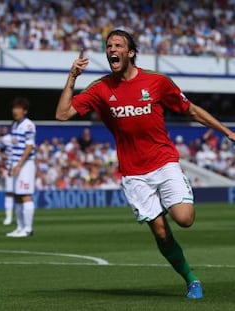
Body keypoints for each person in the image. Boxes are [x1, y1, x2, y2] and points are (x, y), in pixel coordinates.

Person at [55, 29, 235, 299]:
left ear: (130, 53)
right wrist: (72, 78)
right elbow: (62, 114)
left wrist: (227, 132)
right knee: (162, 234)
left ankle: (169, 200)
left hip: (164, 162)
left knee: (184, 219)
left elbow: (192, 110)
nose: (111, 49)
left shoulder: (157, 82)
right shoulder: (101, 88)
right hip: (134, 174)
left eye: (117, 45)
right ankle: (191, 279)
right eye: (108, 45)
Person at [6, 98, 36, 238]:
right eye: (14, 108)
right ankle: (20, 227)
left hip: (25, 165)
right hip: (16, 164)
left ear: (25, 111)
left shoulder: (28, 125)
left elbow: (29, 147)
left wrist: (19, 164)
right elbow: (13, 147)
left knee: (25, 195)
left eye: (18, 108)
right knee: (17, 196)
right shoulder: (15, 125)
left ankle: (28, 229)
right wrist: (10, 164)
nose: (15, 111)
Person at [0, 126, 14, 225]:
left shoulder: (25, 136)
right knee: (9, 192)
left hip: (22, 169)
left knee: (22, 194)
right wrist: (2, 155)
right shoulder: (6, 139)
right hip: (10, 168)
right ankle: (8, 217)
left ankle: (21, 218)